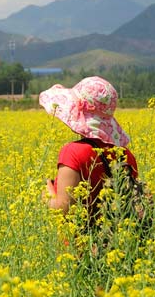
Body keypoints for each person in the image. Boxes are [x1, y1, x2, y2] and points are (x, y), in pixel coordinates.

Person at [39, 76, 147, 229]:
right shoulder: (126, 156)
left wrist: (46, 193)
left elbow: (63, 210)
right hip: (119, 246)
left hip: (76, 249)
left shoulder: (72, 152)